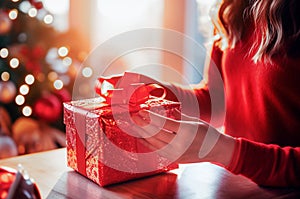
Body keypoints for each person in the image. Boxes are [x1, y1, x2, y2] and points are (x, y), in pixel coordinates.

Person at [100, 0, 300, 187]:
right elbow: (216, 100)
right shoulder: (231, 7)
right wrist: (157, 91)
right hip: (234, 185)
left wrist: (227, 152)